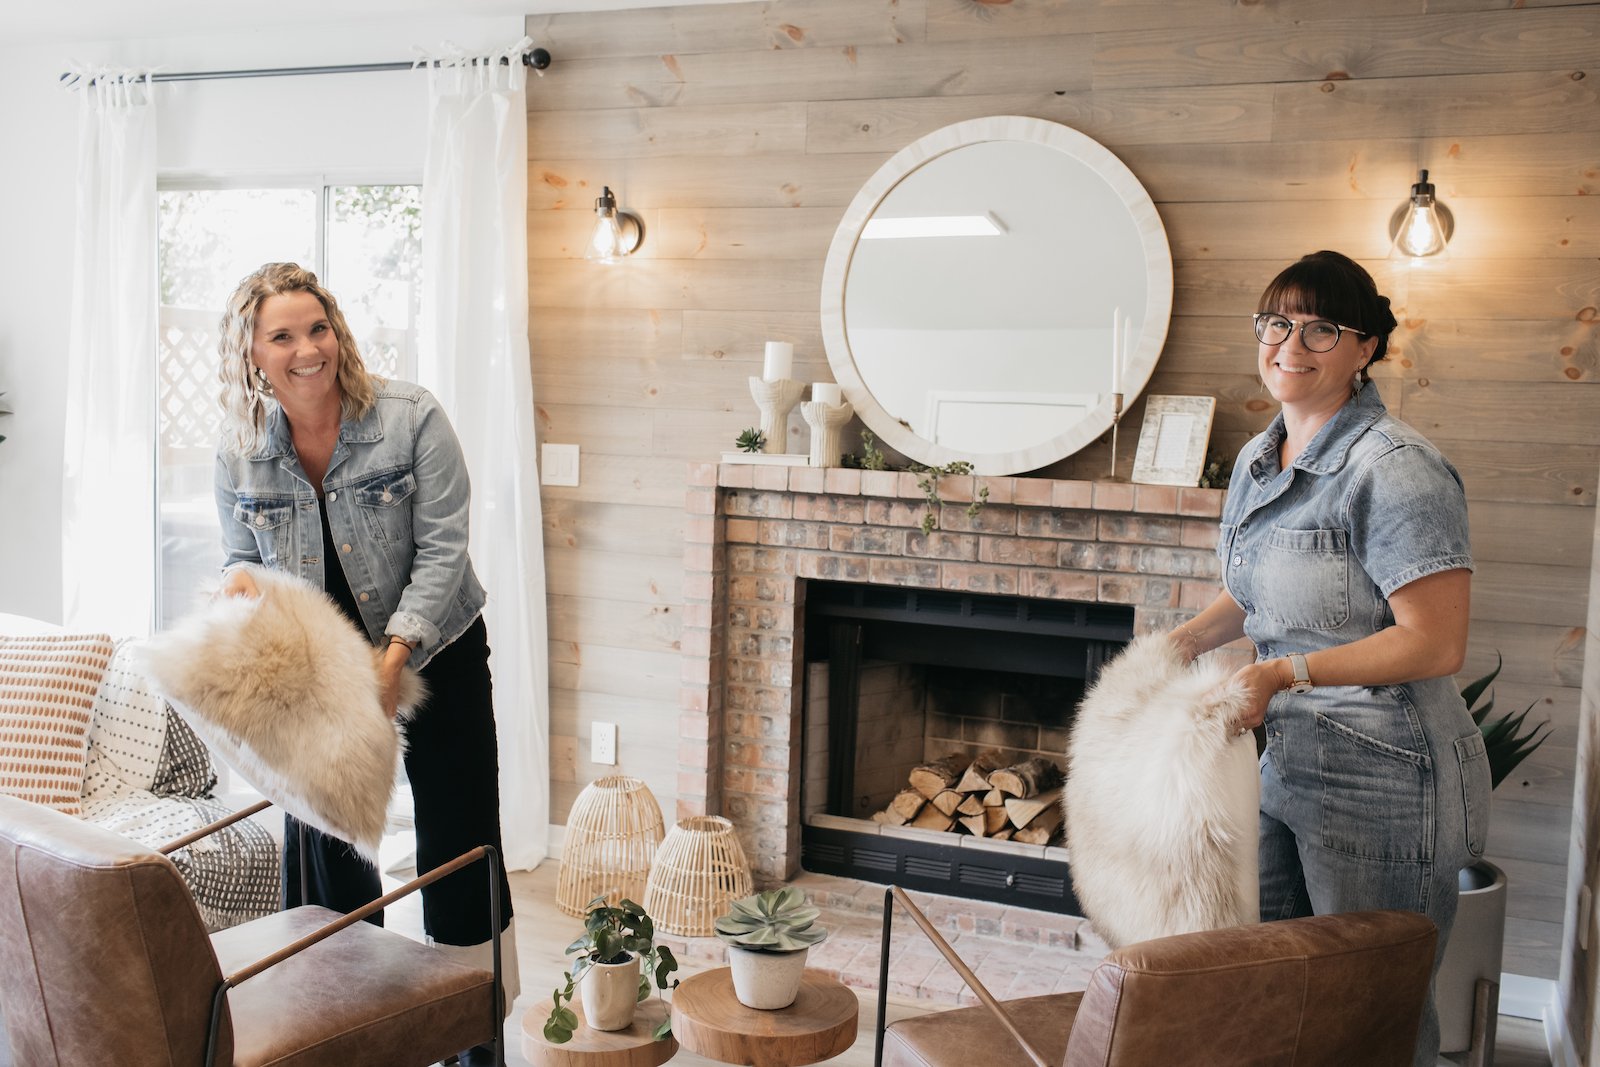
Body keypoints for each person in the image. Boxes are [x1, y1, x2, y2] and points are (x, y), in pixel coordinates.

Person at [1168, 251, 1489, 1067]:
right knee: (1283, 996)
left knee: (1369, 1020)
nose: (1290, 343)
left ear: (1366, 348)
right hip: (1286, 764)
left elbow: (1435, 640)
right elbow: (1261, 592)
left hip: (1387, 778)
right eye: (1276, 322)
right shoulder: (1255, 457)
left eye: (1321, 328)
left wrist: (1285, 674)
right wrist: (1186, 639)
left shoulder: (1395, 467)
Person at [213, 262, 516, 1067]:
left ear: (336, 331)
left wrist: (395, 658)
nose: (307, 348)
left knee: (458, 843)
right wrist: (242, 599)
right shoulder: (239, 453)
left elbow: (445, 549)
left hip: (438, 653)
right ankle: (350, 1030)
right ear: (252, 352)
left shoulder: (411, 417)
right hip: (326, 678)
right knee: (331, 850)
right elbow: (243, 560)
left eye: (317, 327)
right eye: (283, 335)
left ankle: (474, 1035)